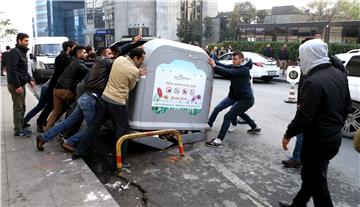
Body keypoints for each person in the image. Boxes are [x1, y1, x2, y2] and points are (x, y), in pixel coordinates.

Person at [279, 39, 352, 207]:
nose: (300, 60)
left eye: (301, 56)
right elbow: (347, 106)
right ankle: (298, 204)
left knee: (318, 183)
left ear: (309, 55)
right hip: (333, 138)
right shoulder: (339, 74)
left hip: (317, 142)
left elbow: (303, 117)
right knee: (312, 176)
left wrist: (288, 134)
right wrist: (334, 126)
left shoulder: (314, 81)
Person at [69, 48, 148, 166]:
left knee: (94, 127)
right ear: (135, 58)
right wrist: (138, 73)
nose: (142, 62)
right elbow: (131, 87)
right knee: (123, 131)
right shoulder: (133, 71)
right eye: (141, 59)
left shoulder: (119, 59)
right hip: (117, 103)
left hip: (105, 98)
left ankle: (79, 151)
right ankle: (119, 162)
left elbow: (125, 58)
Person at [36, 47, 114, 152]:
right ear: (103, 55)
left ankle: (43, 137)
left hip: (85, 99)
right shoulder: (102, 61)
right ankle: (70, 142)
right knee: (94, 128)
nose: (112, 56)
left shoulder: (97, 64)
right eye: (109, 54)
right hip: (89, 100)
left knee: (68, 122)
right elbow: (118, 61)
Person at [206, 52, 261, 147]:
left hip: (246, 100)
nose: (233, 60)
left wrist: (214, 66)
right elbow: (224, 66)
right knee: (225, 109)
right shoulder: (236, 66)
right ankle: (254, 127)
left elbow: (228, 73)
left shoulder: (244, 70)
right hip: (235, 97)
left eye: (235, 59)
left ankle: (219, 140)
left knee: (228, 116)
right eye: (232, 59)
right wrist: (213, 61)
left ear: (241, 60)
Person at [43, 45, 89, 131]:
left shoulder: (72, 61)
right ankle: (66, 129)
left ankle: (47, 129)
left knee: (56, 111)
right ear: (78, 53)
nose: (86, 54)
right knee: (74, 107)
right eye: (85, 52)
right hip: (66, 91)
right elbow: (90, 72)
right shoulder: (78, 63)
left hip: (57, 90)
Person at [36, 41, 76, 132]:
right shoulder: (62, 57)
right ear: (69, 48)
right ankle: (41, 122)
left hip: (59, 85)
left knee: (61, 106)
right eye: (74, 47)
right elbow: (59, 72)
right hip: (56, 85)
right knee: (50, 106)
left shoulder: (67, 57)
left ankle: (48, 123)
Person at [6, 33, 35, 137]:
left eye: (28, 40)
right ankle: (18, 130)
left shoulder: (22, 52)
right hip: (16, 85)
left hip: (21, 84)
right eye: (25, 41)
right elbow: (12, 70)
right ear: (19, 41)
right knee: (18, 107)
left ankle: (21, 124)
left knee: (23, 106)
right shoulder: (15, 52)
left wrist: (30, 79)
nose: (27, 43)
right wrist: (17, 86)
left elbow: (22, 70)